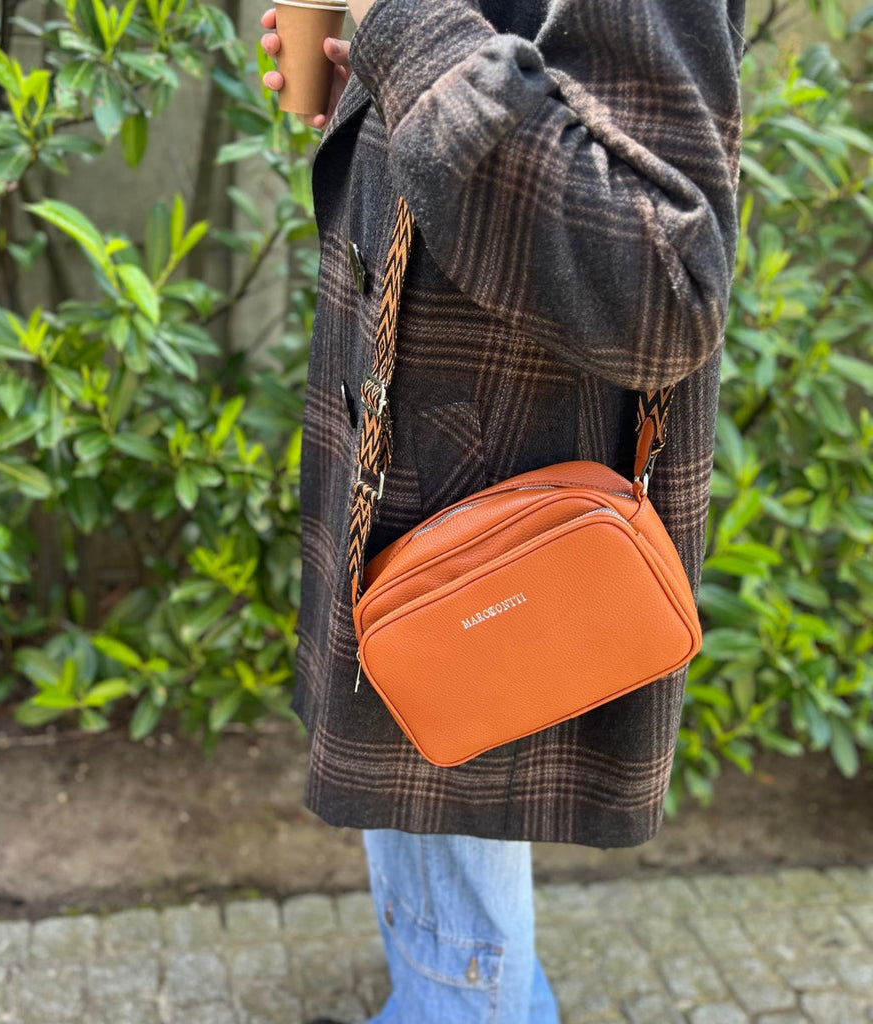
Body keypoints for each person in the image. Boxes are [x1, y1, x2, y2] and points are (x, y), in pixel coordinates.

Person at [261, 1, 745, 1021]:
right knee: (434, 839)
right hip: (436, 480)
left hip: (484, 509)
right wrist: (378, 87)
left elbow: (665, 286)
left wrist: (407, 29)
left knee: (455, 906)